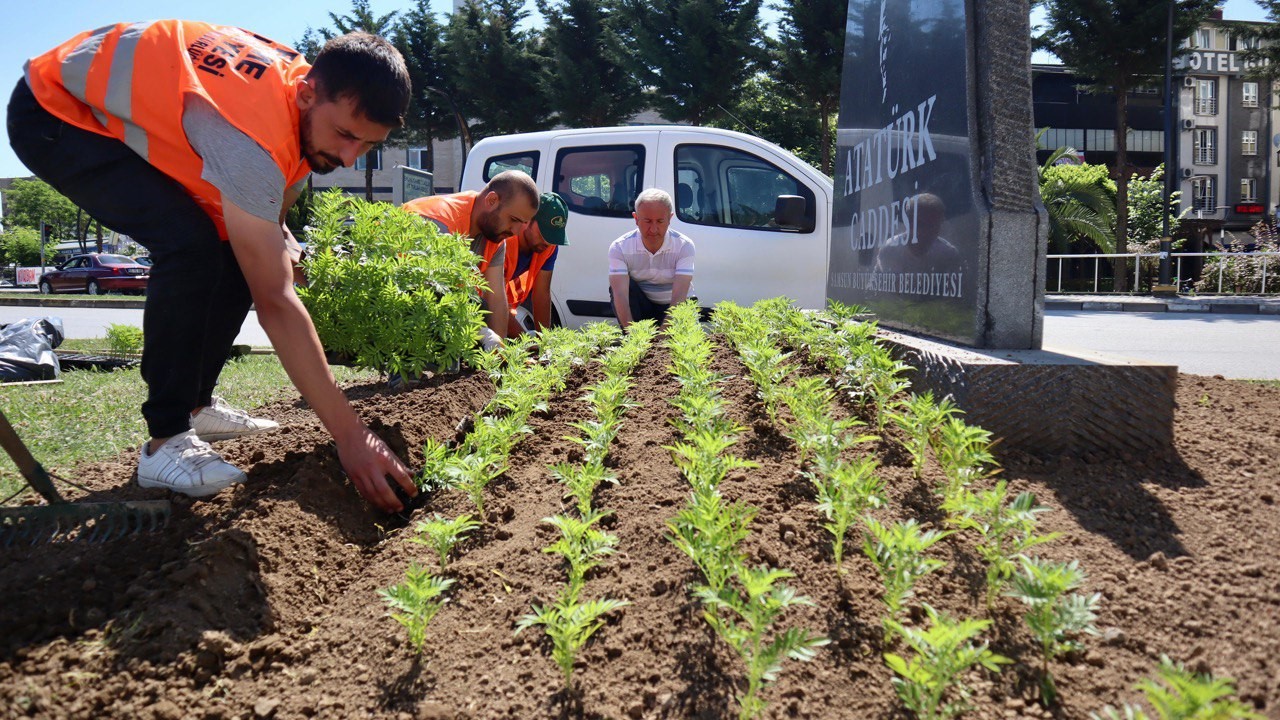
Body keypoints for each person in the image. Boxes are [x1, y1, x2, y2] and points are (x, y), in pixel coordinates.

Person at [8, 22, 416, 512]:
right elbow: (275, 301)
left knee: (233, 250)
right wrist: (351, 434)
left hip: (144, 103)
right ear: (308, 96)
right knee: (190, 245)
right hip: (54, 111)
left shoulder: (306, 106)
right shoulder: (249, 138)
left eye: (367, 146)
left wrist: (282, 241)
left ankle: (196, 405)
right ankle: (166, 440)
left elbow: (270, 221)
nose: (349, 158)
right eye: (346, 136)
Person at [402, 171, 539, 341]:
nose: (516, 232)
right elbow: (430, 298)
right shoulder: (438, 223)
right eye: (513, 219)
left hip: (431, 321)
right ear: (491, 200)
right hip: (398, 321)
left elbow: (495, 297)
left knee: (479, 304)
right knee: (474, 304)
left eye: (522, 223)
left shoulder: (495, 238)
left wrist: (498, 352)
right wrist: (482, 334)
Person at [608, 188, 694, 328]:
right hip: (644, 307)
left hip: (675, 306)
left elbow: (679, 297)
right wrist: (633, 336)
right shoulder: (620, 247)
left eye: (660, 221)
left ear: (670, 219)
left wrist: (661, 339)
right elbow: (620, 295)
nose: (653, 229)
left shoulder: (684, 246)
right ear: (636, 219)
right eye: (647, 221)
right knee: (618, 287)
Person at [505, 192, 568, 337]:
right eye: (543, 234)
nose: (547, 242)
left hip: (502, 308)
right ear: (527, 220)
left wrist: (544, 341)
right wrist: (525, 343)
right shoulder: (505, 242)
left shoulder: (549, 247)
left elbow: (542, 293)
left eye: (553, 236)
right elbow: (493, 301)